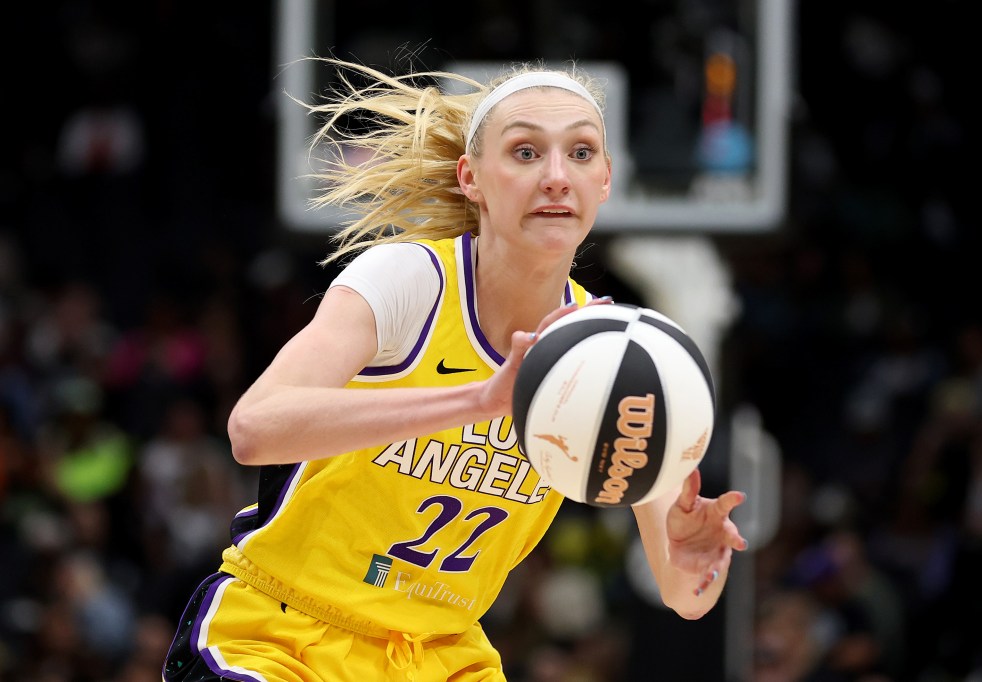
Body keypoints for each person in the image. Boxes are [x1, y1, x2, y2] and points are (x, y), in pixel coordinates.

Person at [162, 58, 748, 682]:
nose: (556, 176)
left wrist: (693, 560)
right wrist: (481, 400)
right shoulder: (409, 281)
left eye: (580, 152)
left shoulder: (614, 357)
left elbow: (686, 597)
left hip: (439, 656)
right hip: (286, 635)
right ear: (472, 177)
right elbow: (254, 429)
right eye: (525, 152)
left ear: (604, 180)